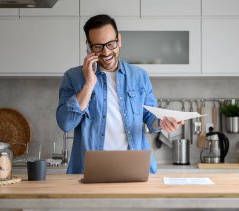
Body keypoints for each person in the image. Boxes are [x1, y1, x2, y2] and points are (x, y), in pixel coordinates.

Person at [56, 14, 184, 174]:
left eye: (111, 44)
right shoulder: (73, 77)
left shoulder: (139, 76)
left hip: (135, 168)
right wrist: (89, 84)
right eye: (98, 46)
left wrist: (161, 123)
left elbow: (150, 117)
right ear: (89, 46)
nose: (106, 52)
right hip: (91, 170)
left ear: (119, 40)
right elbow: (65, 124)